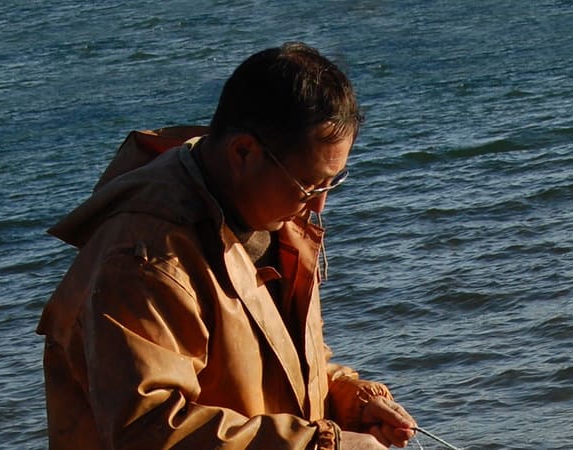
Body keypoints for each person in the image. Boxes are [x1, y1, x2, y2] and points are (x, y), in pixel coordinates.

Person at [37, 42, 416, 449]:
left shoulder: (271, 213)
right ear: (243, 152)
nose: (320, 204)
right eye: (310, 184)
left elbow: (286, 368)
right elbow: (148, 430)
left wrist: (351, 402)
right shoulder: (144, 259)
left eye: (332, 182)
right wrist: (323, 444)